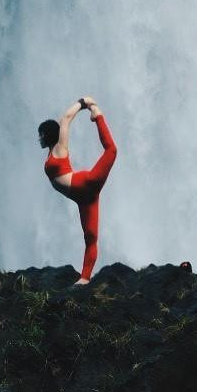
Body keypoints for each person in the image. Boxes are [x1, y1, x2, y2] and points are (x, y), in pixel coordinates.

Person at [37, 96, 117, 286]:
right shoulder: (52, 151)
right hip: (85, 199)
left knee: (111, 150)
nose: (39, 137)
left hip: (86, 183)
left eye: (41, 134)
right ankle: (84, 279)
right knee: (90, 239)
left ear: (48, 135)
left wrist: (85, 103)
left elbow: (65, 118)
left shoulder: (59, 148)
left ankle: (99, 116)